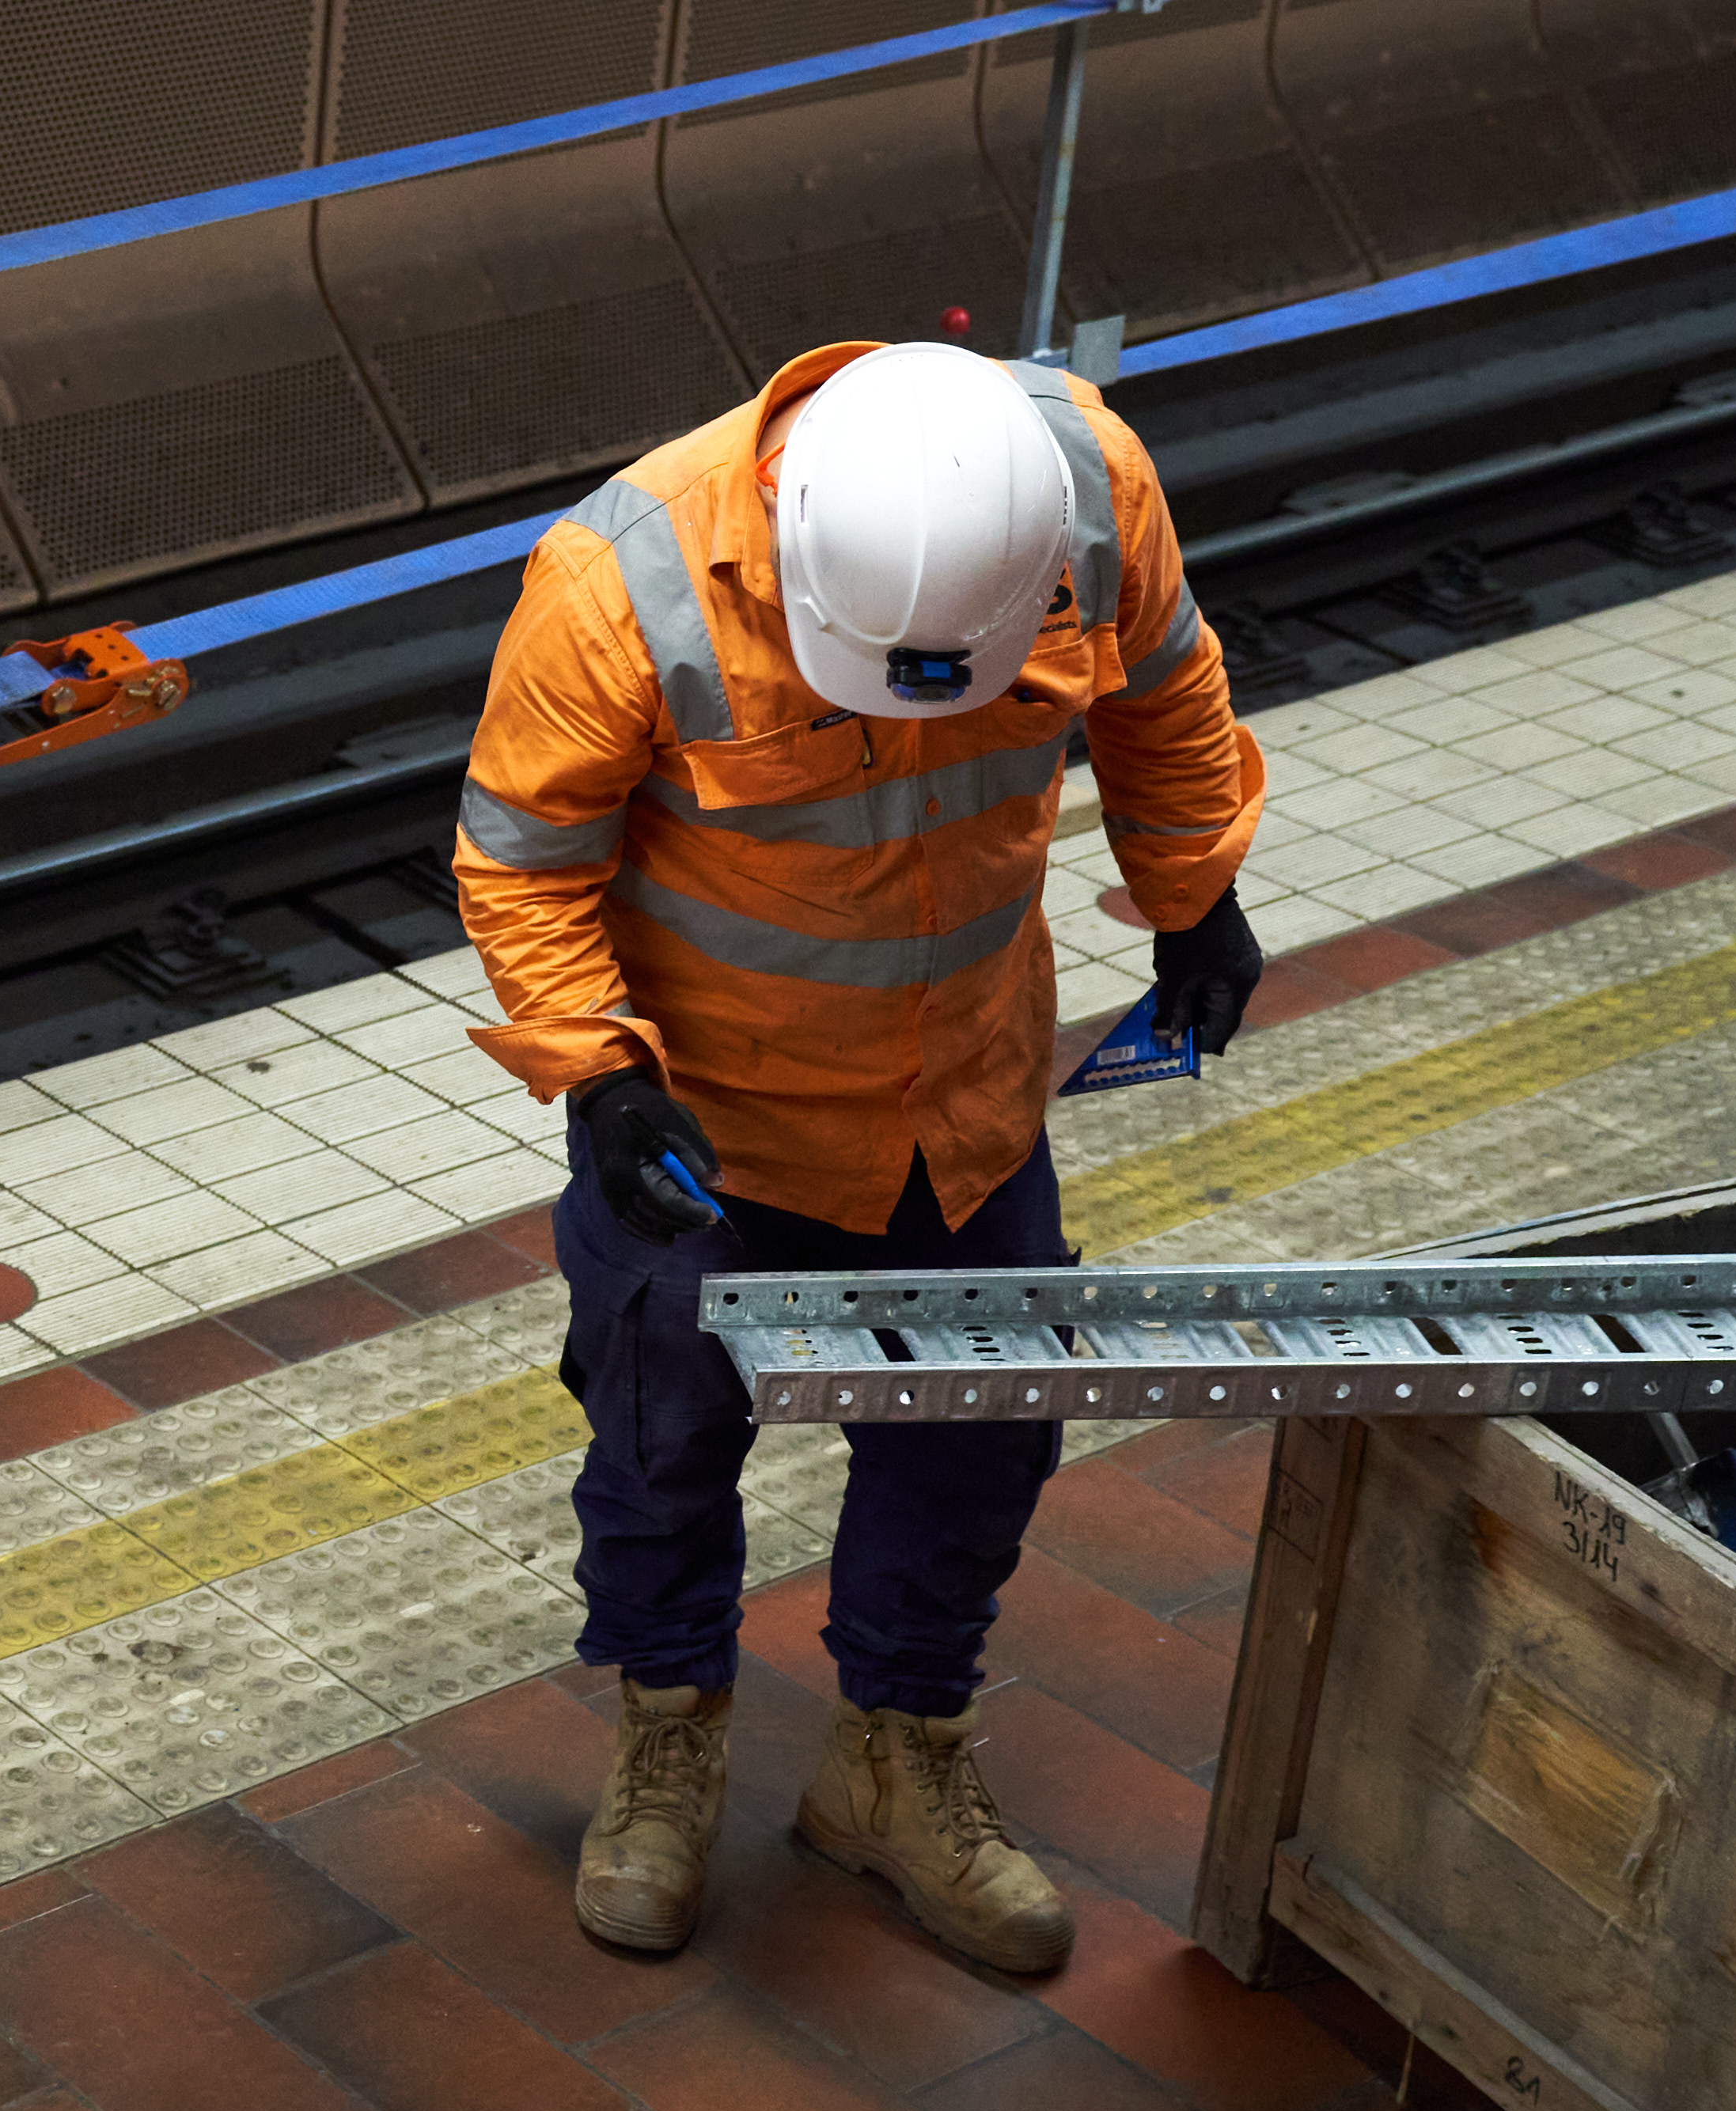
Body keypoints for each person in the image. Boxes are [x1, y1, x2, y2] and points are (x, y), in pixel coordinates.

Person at [450, 341, 1267, 1974]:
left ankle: (897, 1757)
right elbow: (522, 862)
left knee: (978, 1441)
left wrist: (1197, 894)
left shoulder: (1083, 491)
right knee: (657, 1443)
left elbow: (1167, 693)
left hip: (962, 1105)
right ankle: (670, 1725)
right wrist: (606, 1082)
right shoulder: (625, 580)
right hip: (711, 1136)